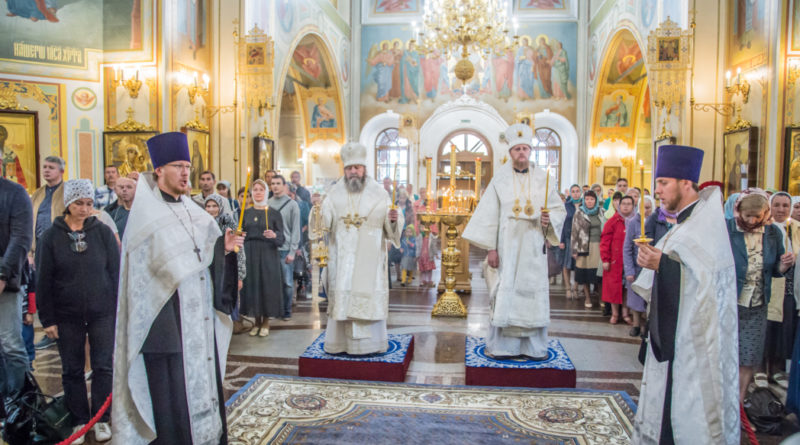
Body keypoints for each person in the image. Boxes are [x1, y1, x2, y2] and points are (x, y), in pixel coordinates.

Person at [112, 132, 242, 445]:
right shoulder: (145, 220)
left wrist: (222, 252)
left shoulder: (197, 214)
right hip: (167, 331)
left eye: (187, 166)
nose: (186, 172)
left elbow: (207, 267)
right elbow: (140, 283)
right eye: (177, 166)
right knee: (173, 405)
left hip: (199, 325)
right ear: (159, 170)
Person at [632, 145, 740, 444]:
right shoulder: (686, 222)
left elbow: (705, 285)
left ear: (686, 183)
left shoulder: (705, 226)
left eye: (663, 183)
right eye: (657, 184)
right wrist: (657, 263)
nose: (658, 191)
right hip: (674, 334)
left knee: (684, 409)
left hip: (695, 344)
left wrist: (662, 264)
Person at [463, 123, 565, 359]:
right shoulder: (499, 179)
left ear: (531, 152)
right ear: (510, 153)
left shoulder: (544, 179)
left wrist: (550, 220)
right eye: (517, 149)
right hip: (506, 246)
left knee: (531, 293)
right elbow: (490, 216)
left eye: (525, 148)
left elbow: (559, 210)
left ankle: (533, 347)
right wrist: (491, 249)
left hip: (532, 246)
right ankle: (504, 347)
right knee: (506, 291)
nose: (521, 153)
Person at [36, 179, 118, 443]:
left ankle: (102, 419)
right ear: (68, 204)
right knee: (72, 369)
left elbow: (115, 273)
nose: (84, 209)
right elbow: (44, 279)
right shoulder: (51, 236)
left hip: (102, 311)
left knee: (103, 366)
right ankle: (80, 419)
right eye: (79, 203)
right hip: (66, 313)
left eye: (89, 203)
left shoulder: (103, 232)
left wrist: (118, 309)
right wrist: (47, 318)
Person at [311, 142, 402, 354]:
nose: (353, 171)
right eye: (349, 168)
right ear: (344, 170)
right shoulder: (333, 193)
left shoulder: (379, 193)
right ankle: (340, 343)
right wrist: (317, 209)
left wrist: (394, 219)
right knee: (343, 297)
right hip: (341, 258)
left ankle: (371, 345)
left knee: (366, 295)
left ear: (364, 169)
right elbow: (323, 224)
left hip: (369, 256)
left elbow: (391, 226)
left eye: (357, 167)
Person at [725, 189, 792, 403]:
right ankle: (722, 404)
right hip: (729, 302)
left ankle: (739, 405)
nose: (752, 221)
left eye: (757, 216)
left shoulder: (773, 233)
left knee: (749, 357)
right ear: (739, 212)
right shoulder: (727, 229)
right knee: (725, 355)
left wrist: (784, 265)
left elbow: (775, 269)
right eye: (748, 216)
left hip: (758, 303)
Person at [0, 156, 33, 407]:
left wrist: (2, 274)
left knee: (11, 344)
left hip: (6, 282)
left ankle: (19, 406)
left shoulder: (15, 193)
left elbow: (21, 238)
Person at [762, 191, 800, 389]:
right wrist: (780, 265)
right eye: (776, 205)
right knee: (767, 326)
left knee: (784, 327)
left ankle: (777, 368)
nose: (781, 209)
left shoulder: (795, 228)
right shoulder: (765, 229)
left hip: (789, 286)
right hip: (770, 283)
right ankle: (761, 368)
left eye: (785, 205)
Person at [239, 179, 284, 336]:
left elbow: (281, 237)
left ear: (266, 192)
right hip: (250, 253)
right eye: (255, 189)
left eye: (261, 189)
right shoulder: (245, 213)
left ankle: (266, 322)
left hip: (267, 253)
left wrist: (274, 235)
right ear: (251, 193)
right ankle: (256, 321)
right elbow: (240, 232)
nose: (258, 192)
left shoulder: (274, 213)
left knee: (266, 286)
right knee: (253, 286)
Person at [204, 194, 248, 335]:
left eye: (214, 206)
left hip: (226, 269)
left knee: (225, 300)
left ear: (220, 207)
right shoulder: (201, 223)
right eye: (208, 206)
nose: (211, 209)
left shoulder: (228, 223)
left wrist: (240, 276)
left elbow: (239, 250)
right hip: (208, 269)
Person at [269, 175, 300, 321]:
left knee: (287, 283)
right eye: (273, 183)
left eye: (278, 183)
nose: (275, 186)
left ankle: (287, 311)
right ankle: (275, 310)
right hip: (270, 248)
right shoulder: (267, 204)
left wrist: (293, 251)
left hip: (286, 249)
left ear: (283, 185)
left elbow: (295, 229)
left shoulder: (292, 205)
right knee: (272, 282)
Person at [601, 195, 635, 325]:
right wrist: (605, 259)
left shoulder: (636, 221)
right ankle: (615, 313)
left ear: (633, 206)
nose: (626, 206)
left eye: (629, 204)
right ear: (619, 206)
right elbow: (604, 241)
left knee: (627, 288)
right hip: (615, 261)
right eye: (623, 203)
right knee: (614, 288)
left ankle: (625, 313)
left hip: (630, 261)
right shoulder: (613, 221)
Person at [623, 195, 654, 337]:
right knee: (635, 298)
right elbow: (627, 248)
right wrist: (629, 270)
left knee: (648, 299)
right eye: (643, 208)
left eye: (648, 208)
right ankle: (636, 324)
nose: (646, 211)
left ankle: (646, 326)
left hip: (651, 267)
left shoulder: (656, 222)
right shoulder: (633, 222)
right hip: (636, 267)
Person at [571, 190, 605, 308]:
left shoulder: (601, 212)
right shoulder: (579, 213)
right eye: (587, 199)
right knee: (584, 274)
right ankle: (587, 298)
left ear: (595, 200)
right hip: (583, 246)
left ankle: (601, 297)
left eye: (592, 199)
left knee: (599, 274)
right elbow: (574, 232)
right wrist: (574, 250)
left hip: (599, 246)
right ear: (584, 200)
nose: (589, 201)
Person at [560, 185, 581, 299]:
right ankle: (568, 288)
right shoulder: (566, 206)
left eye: (578, 191)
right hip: (568, 237)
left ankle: (576, 288)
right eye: (573, 191)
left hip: (580, 239)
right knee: (567, 264)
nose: (576, 193)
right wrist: (561, 240)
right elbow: (562, 224)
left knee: (578, 264)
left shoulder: (584, 205)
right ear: (570, 194)